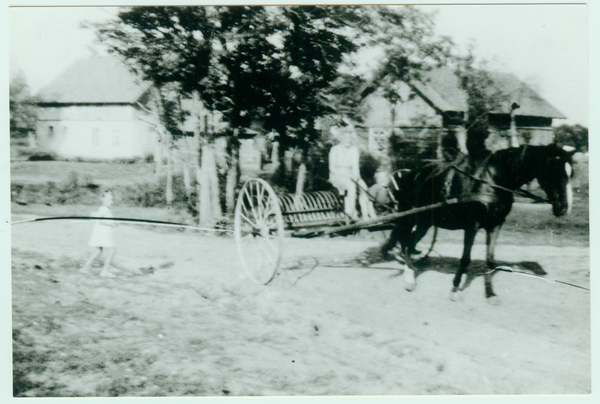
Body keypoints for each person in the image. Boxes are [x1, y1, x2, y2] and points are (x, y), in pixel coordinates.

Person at [80, 189, 142, 278]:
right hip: (103, 234)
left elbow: (101, 218)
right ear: (102, 199)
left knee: (98, 250)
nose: (111, 202)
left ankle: (85, 268)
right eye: (108, 200)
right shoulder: (104, 209)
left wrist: (114, 223)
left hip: (101, 233)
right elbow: (99, 220)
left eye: (112, 199)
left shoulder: (105, 209)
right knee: (111, 251)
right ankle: (104, 271)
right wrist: (111, 224)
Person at [329, 125, 376, 221]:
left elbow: (355, 167)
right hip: (337, 175)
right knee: (351, 186)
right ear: (341, 138)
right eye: (345, 138)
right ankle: (352, 213)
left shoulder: (354, 149)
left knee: (364, 188)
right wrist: (346, 175)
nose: (348, 140)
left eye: (350, 138)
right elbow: (332, 168)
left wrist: (356, 176)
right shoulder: (334, 149)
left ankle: (366, 215)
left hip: (351, 174)